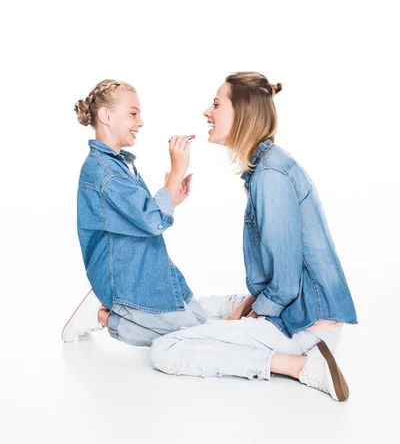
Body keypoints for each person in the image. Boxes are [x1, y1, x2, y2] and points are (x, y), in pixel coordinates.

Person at [150, 72, 358, 401]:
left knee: (166, 348)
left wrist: (246, 319)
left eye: (216, 105)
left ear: (242, 113)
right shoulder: (265, 167)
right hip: (301, 312)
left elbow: (286, 287)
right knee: (194, 308)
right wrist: (246, 307)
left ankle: (299, 365)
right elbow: (281, 274)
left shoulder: (271, 176)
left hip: (303, 323)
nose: (207, 112)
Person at [63, 79, 247, 346]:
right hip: (126, 280)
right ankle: (103, 316)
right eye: (133, 114)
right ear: (106, 116)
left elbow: (138, 217)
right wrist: (175, 173)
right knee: (187, 338)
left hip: (145, 270)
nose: (140, 122)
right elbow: (150, 219)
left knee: (196, 323)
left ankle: (111, 311)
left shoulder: (118, 165)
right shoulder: (104, 172)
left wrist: (172, 197)